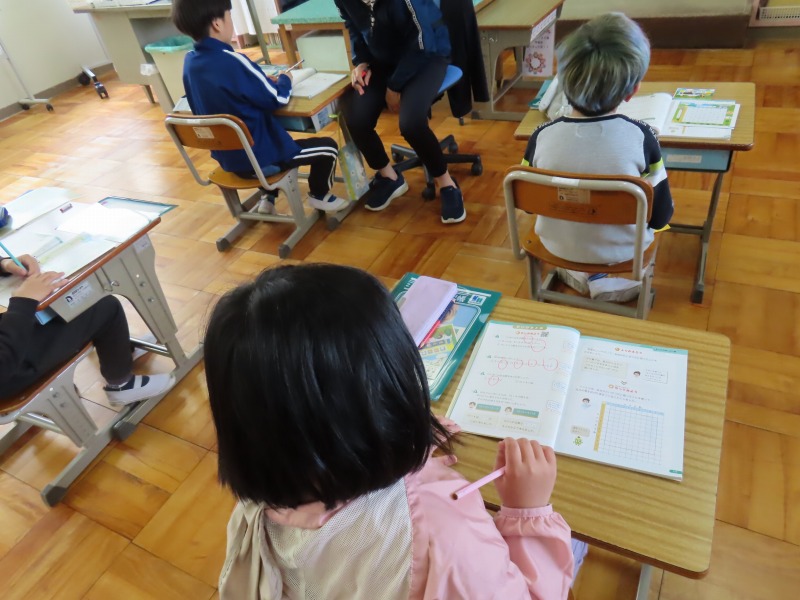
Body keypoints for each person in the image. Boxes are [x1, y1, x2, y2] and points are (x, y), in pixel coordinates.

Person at [205, 264, 584, 599]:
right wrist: (527, 511)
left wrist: (397, 440)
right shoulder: (441, 538)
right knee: (579, 542)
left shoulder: (272, 479)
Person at [522, 13, 674, 302]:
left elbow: (529, 206)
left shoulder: (540, 136)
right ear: (632, 91)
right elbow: (661, 215)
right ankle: (605, 278)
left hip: (555, 245)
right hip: (624, 251)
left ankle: (582, 272)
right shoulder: (642, 138)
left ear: (563, 82)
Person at [172, 0, 347, 215]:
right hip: (262, 161)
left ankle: (267, 197)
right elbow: (277, 98)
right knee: (328, 147)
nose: (231, 21)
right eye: (229, 16)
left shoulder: (190, 63)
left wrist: (259, 84)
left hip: (229, 161)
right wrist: (285, 79)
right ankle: (319, 195)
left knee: (249, 137)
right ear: (217, 23)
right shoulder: (233, 60)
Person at [333, 0, 467, 224]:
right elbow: (353, 25)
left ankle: (447, 183)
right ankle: (390, 177)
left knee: (411, 123)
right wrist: (361, 62)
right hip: (383, 62)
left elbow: (423, 41)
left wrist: (394, 86)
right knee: (355, 117)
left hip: (427, 55)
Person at [0, 255, 174, 404]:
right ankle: (121, 384)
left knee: (70, 302)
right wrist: (23, 302)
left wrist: (4, 264)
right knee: (102, 306)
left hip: (9, 344)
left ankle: (120, 351)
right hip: (11, 369)